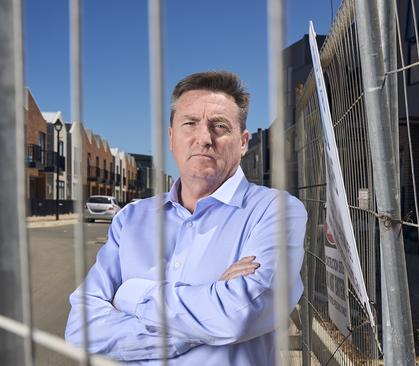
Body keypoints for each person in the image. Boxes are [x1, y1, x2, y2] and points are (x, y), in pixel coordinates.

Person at [65, 71, 307, 365]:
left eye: (219, 126)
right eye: (190, 123)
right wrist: (210, 305)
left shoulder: (276, 212)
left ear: (243, 142)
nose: (204, 138)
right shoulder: (131, 219)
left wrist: (130, 295)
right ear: (171, 137)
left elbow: (239, 317)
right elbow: (80, 329)